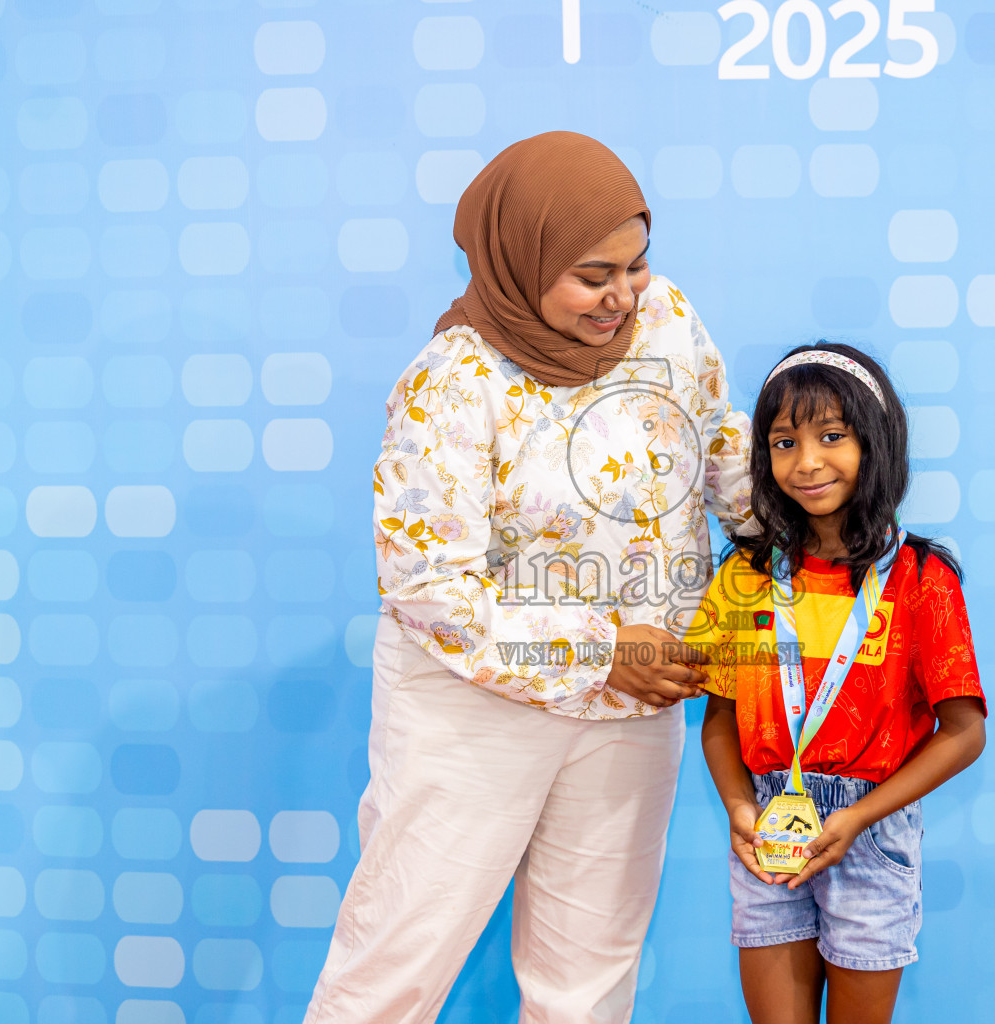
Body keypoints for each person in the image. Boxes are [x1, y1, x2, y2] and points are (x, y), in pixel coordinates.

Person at [305, 132, 753, 1023]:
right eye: (594, 275)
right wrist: (598, 649)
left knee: (589, 984)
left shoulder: (665, 319)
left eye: (637, 264)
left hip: (635, 709)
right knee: (394, 967)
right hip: (472, 716)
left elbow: (716, 447)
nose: (623, 296)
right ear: (522, 259)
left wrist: (811, 518)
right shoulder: (452, 383)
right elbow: (431, 584)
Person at [695, 342, 987, 1024]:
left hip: (870, 830)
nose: (807, 462)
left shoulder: (920, 577)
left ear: (875, 442)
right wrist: (739, 806)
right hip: (767, 826)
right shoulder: (747, 575)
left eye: (832, 436)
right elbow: (719, 722)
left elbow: (965, 732)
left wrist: (859, 816)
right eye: (783, 442)